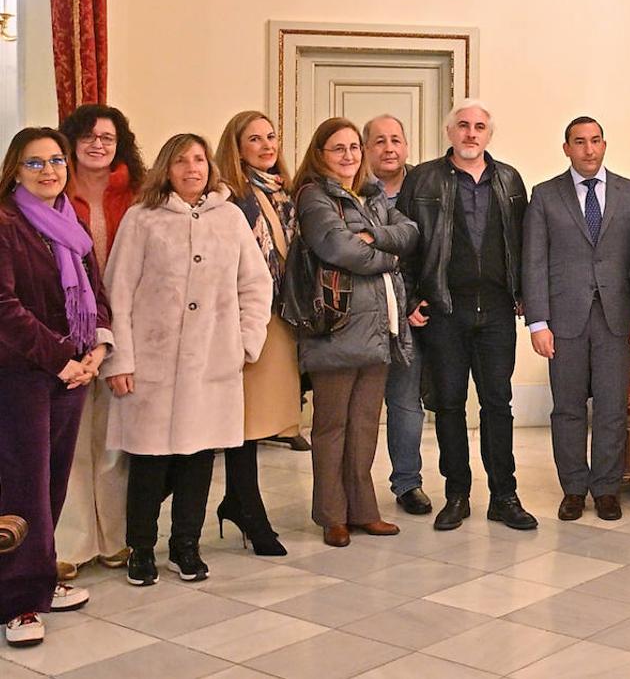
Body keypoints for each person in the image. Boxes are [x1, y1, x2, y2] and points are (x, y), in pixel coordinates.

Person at [102, 134, 271, 584]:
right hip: (153, 363)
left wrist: (243, 341)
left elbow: (255, 284)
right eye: (181, 160)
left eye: (199, 159)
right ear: (167, 168)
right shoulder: (143, 219)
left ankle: (186, 546)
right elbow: (117, 290)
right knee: (149, 460)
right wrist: (120, 360)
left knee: (199, 458)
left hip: (213, 361)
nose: (192, 168)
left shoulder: (230, 217)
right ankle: (141, 547)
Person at [395, 99, 537, 532]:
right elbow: (405, 245)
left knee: (498, 403)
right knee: (450, 404)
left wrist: (525, 296)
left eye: (479, 127)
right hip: (444, 309)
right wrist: (410, 301)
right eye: (462, 126)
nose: (470, 133)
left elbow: (525, 245)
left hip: (496, 310)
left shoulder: (509, 179)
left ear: (488, 134)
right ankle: (457, 494)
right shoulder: (423, 179)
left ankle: (504, 495)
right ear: (449, 132)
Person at [0, 127, 111, 647]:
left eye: (55, 161)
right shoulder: (4, 222)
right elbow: (5, 310)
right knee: (22, 488)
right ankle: (17, 603)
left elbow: (96, 289)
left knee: (52, 482)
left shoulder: (71, 219)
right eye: (34, 164)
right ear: (13, 171)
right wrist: (62, 358)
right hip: (20, 375)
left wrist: (98, 348)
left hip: (72, 372)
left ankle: (40, 581)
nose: (49, 172)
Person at [292, 117, 420, 547]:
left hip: (379, 329)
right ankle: (332, 515)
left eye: (353, 148)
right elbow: (337, 248)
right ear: (320, 155)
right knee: (332, 427)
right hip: (336, 327)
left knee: (365, 424)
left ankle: (363, 509)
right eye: (338, 149)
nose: (349, 156)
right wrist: (388, 258)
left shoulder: (370, 195)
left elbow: (409, 231)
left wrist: (376, 237)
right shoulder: (314, 197)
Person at [523, 116, 630, 521]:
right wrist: (538, 322)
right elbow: (534, 262)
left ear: (605, 145)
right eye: (579, 142)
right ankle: (573, 488)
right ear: (566, 149)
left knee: (612, 409)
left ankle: (607, 489)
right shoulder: (544, 195)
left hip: (616, 320)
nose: (588, 149)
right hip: (564, 321)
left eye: (595, 141)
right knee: (568, 409)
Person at [54, 104, 141, 579]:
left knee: (113, 439)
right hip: (68, 331)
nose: (97, 144)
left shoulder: (139, 194)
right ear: (71, 143)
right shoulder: (52, 193)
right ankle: (71, 541)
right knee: (70, 439)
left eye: (107, 137)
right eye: (88, 136)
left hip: (123, 329)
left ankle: (115, 537)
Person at [212, 111, 304, 556]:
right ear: (237, 146)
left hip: (283, 316)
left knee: (264, 418)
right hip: (250, 317)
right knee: (246, 421)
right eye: (255, 139)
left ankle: (236, 500)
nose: (267, 146)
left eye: (271, 136)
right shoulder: (228, 197)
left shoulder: (283, 193)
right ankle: (249, 508)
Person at [363, 114, 430, 516]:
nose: (389, 148)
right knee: (362, 408)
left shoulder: (426, 188)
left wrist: (417, 303)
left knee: (406, 403)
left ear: (406, 146)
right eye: (379, 141)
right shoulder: (353, 192)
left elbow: (436, 251)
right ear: (366, 148)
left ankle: (407, 483)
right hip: (363, 317)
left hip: (413, 314)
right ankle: (354, 487)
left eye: (396, 140)